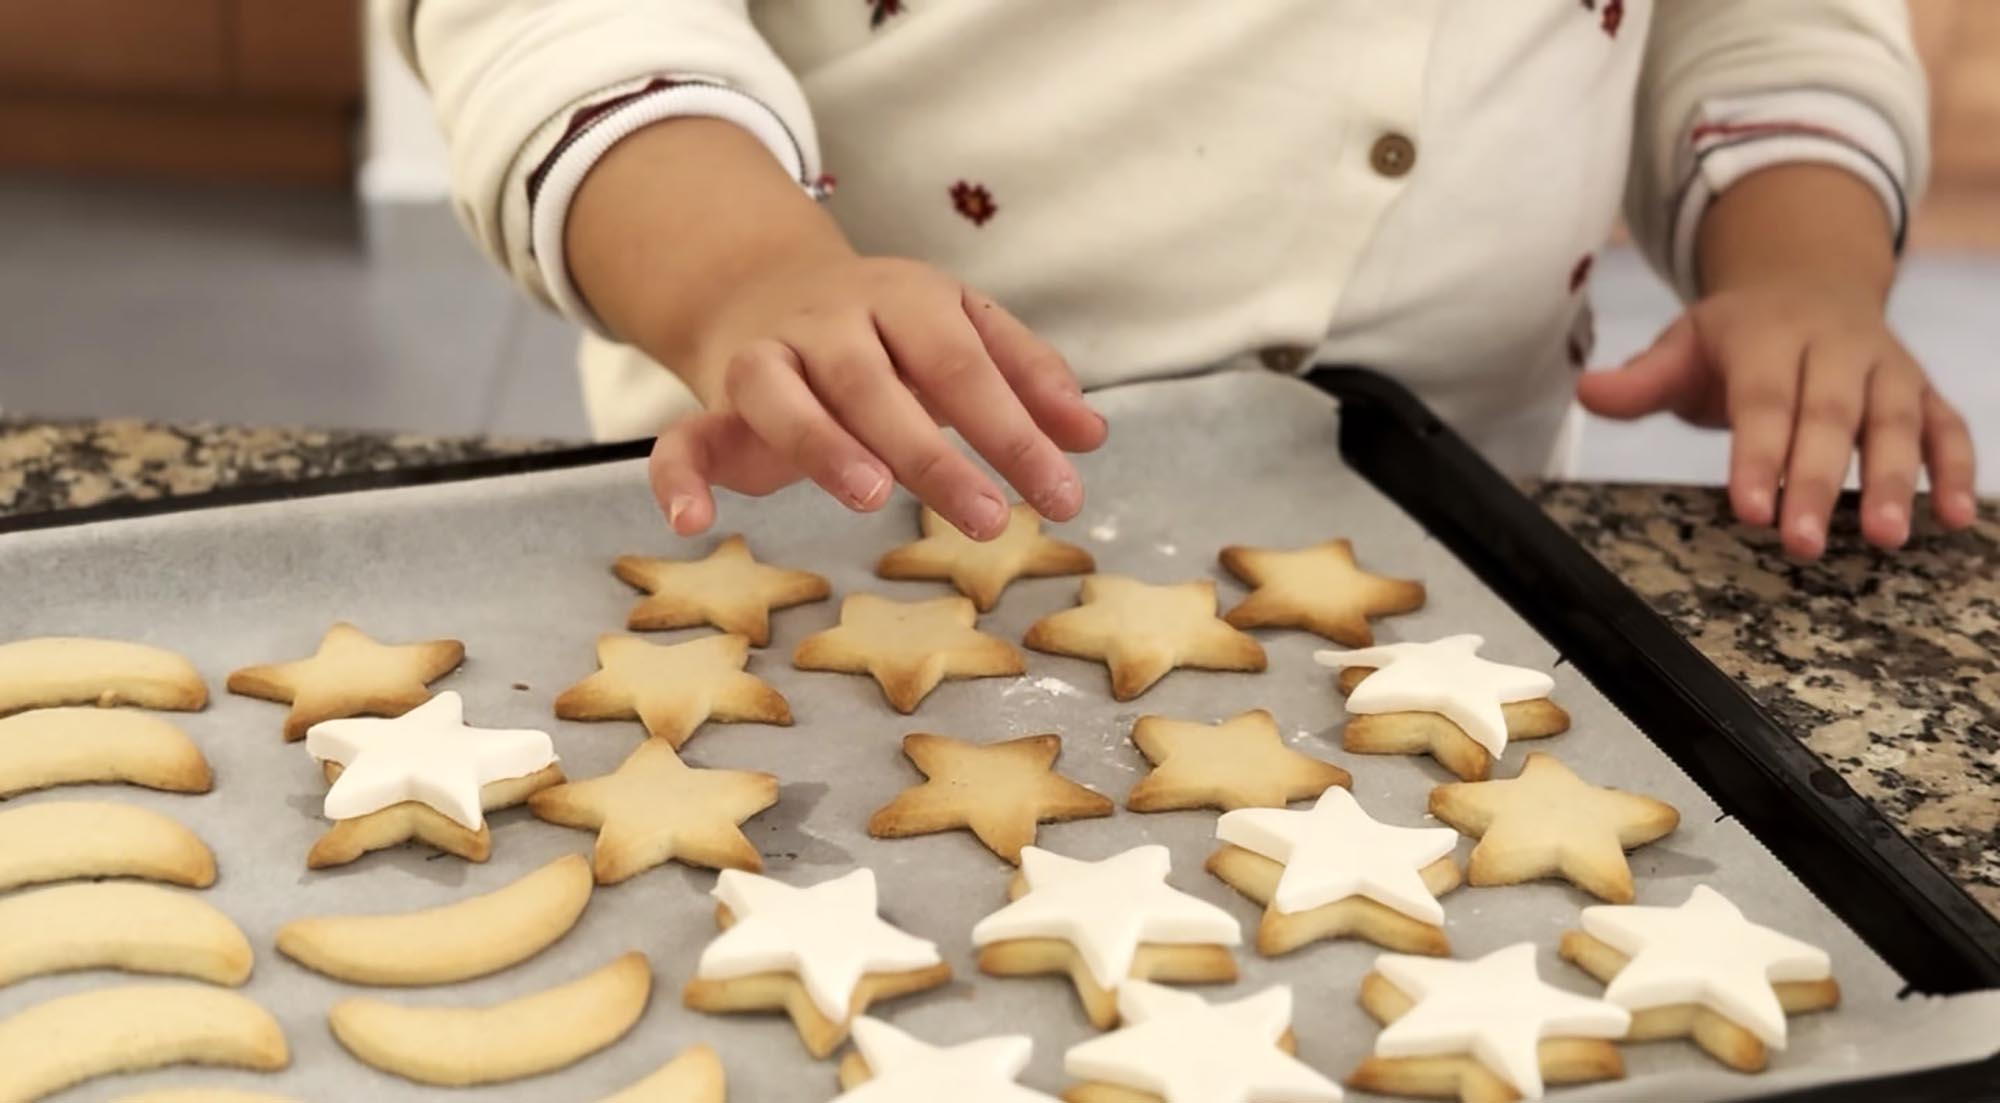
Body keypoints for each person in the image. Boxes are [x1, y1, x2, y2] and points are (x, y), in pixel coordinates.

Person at [389, 0, 1977, 559]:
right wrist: (740, 267)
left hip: (1443, 535)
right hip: (834, 509)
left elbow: (1769, 23)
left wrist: (1801, 264)